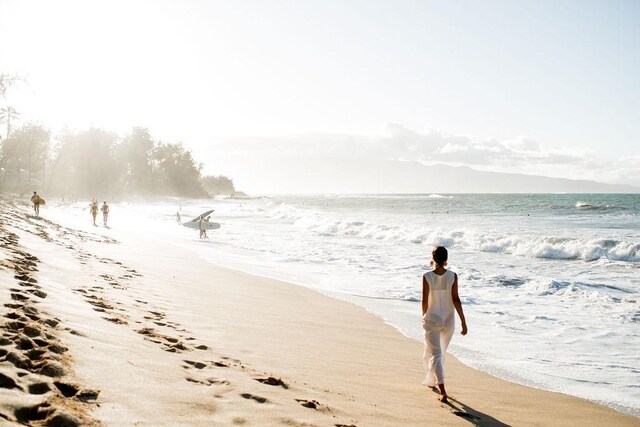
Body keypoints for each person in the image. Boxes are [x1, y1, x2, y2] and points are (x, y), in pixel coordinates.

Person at [421, 246, 467, 403]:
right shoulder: (453, 276)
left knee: (436, 354)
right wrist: (463, 321)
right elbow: (456, 299)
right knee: (439, 354)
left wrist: (423, 316)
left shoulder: (427, 276)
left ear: (433, 257)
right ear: (446, 259)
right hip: (448, 321)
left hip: (432, 319)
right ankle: (433, 381)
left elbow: (424, 301)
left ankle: (443, 391)